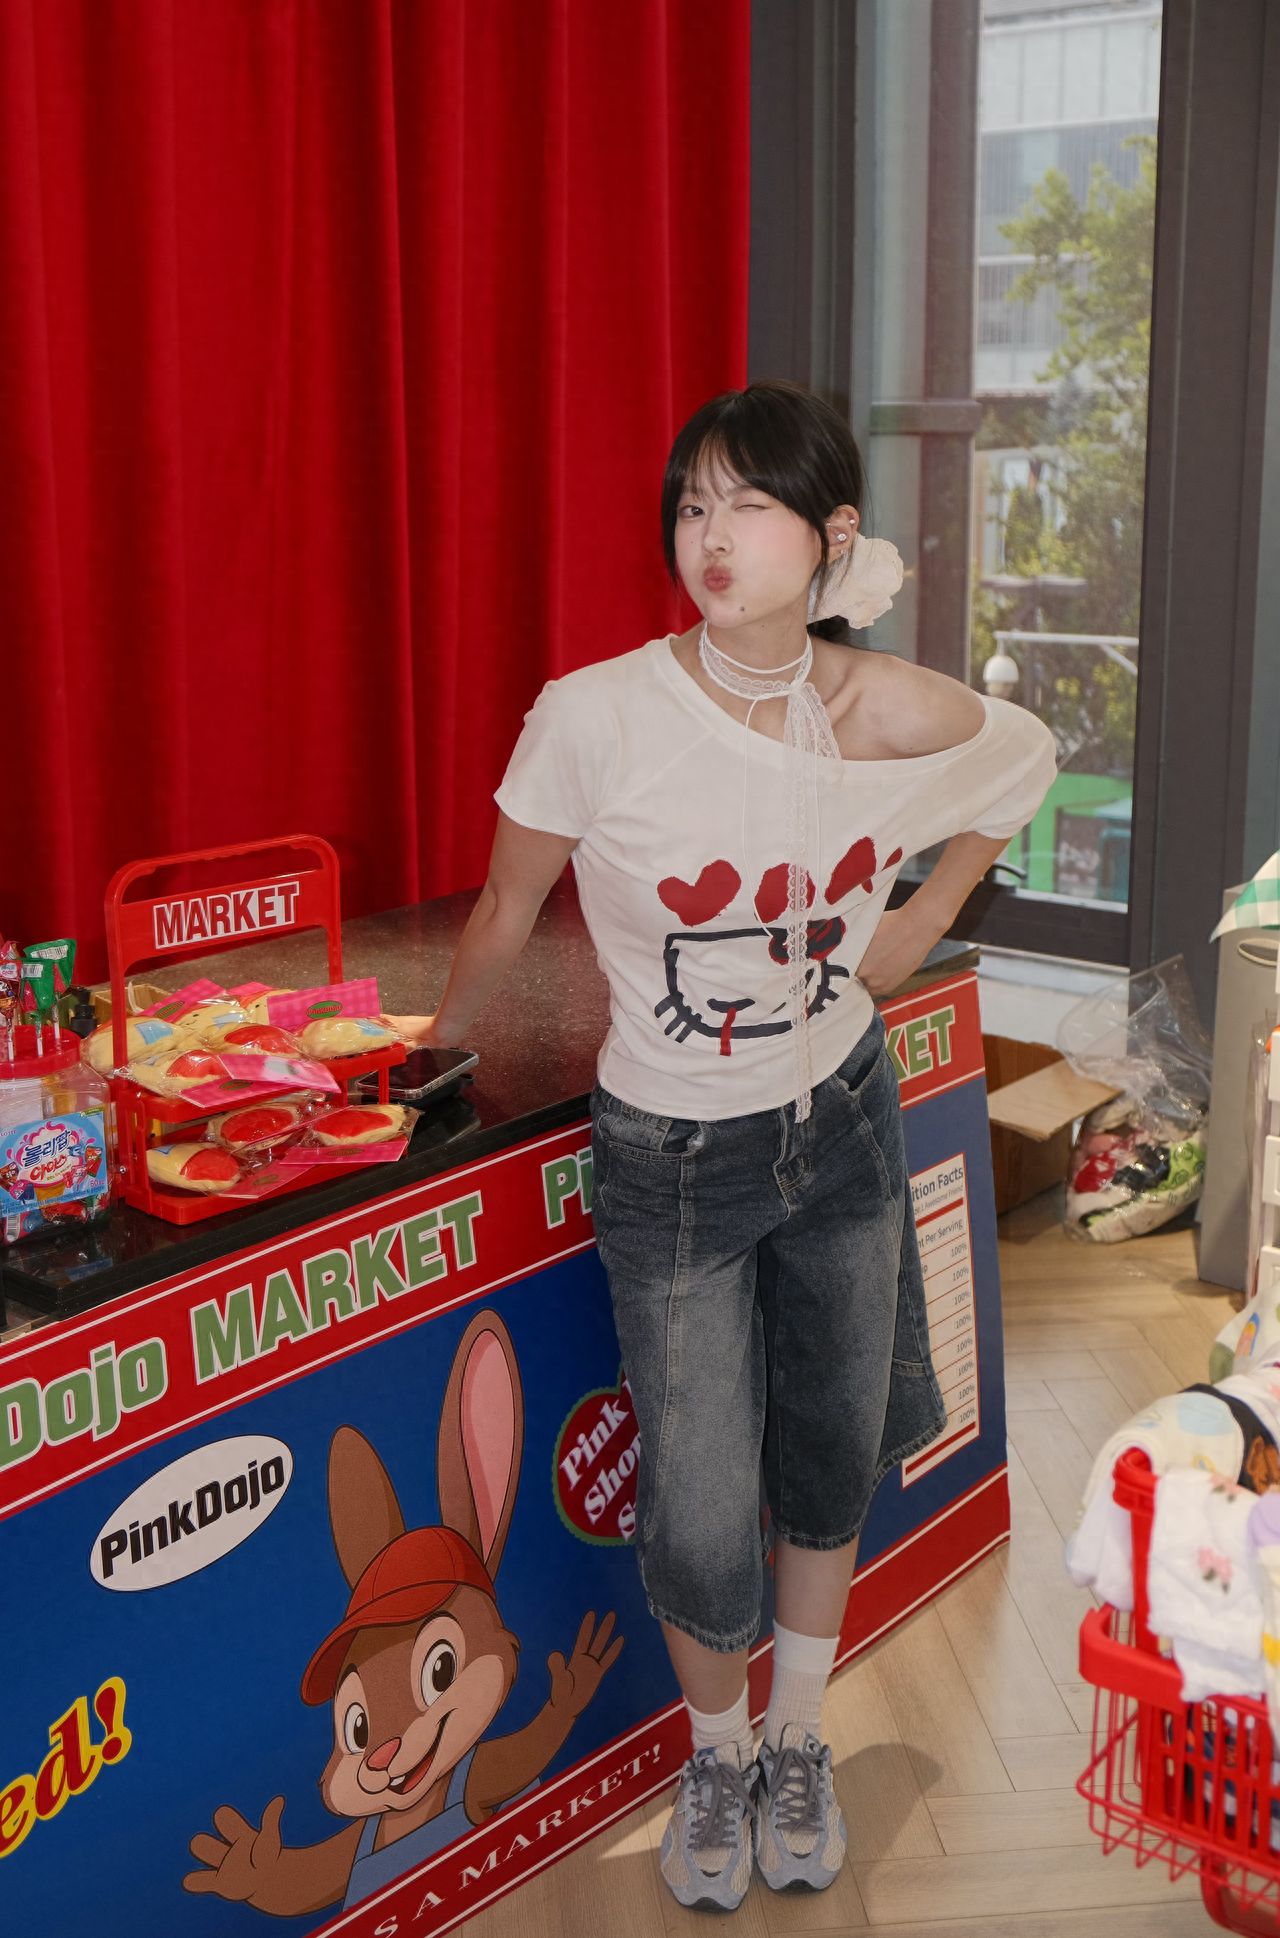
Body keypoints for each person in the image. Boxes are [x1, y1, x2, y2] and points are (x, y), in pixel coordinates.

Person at [387, 379, 1057, 1911]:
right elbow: (504, 909)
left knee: (826, 1447)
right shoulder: (599, 713)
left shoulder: (877, 704)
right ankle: (717, 1750)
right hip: (674, 1158)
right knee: (695, 1495)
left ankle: (801, 1739)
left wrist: (925, 919)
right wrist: (433, 1063)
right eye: (690, 502)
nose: (708, 533)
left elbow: (1016, 761)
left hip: (842, 1120)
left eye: (746, 503)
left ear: (828, 537)